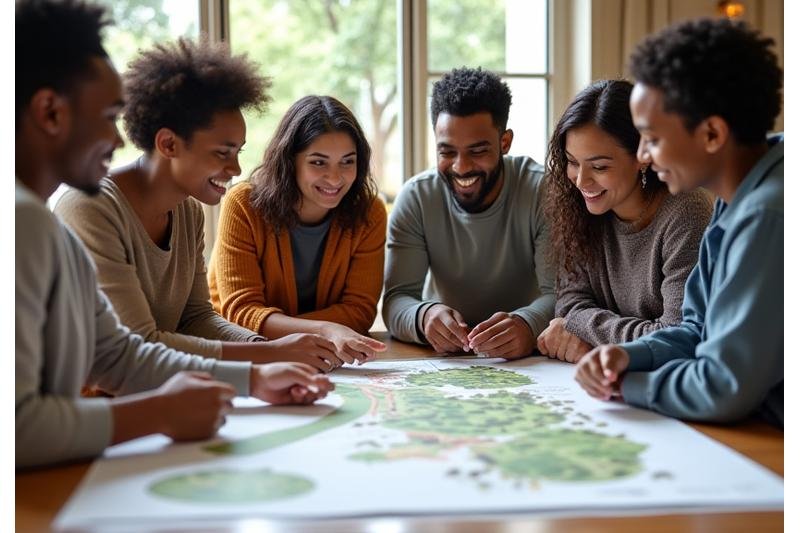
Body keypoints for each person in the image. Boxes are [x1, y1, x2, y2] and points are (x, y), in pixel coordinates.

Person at [16, 0, 332, 469]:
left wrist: (253, 377)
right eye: (106, 116)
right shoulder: (34, 219)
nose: (120, 138)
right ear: (50, 112)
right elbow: (18, 429)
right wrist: (159, 412)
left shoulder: (47, 226)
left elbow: (118, 353)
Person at [54, 38, 340, 373]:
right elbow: (137, 343)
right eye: (222, 152)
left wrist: (265, 347)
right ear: (169, 143)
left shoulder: (188, 211)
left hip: (159, 390)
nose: (234, 169)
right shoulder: (90, 208)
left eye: (238, 152)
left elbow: (195, 318)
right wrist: (267, 357)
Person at [574, 18, 783, 427]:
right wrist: (628, 356)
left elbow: (723, 387)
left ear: (710, 134)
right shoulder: (736, 195)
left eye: (651, 139)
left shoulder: (767, 215)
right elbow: (696, 329)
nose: (645, 157)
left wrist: (626, 385)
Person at [383, 67, 554, 358]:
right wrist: (423, 317)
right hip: (445, 361)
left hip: (528, 359)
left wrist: (529, 324)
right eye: (447, 152)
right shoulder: (416, 198)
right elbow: (396, 300)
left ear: (505, 142)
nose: (461, 167)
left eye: (477, 151)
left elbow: (563, 295)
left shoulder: (543, 192)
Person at [538, 79, 712, 363]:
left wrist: (585, 331)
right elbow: (569, 304)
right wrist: (592, 331)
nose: (581, 181)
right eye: (572, 161)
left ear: (642, 156)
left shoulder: (686, 211)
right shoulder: (581, 207)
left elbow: (677, 338)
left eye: (599, 166)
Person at [209, 95, 388, 367]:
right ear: (290, 160)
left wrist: (284, 330)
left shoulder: (370, 212)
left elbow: (359, 311)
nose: (335, 177)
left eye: (347, 161)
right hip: (243, 355)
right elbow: (241, 313)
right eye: (318, 162)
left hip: (323, 359)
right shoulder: (243, 204)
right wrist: (325, 330)